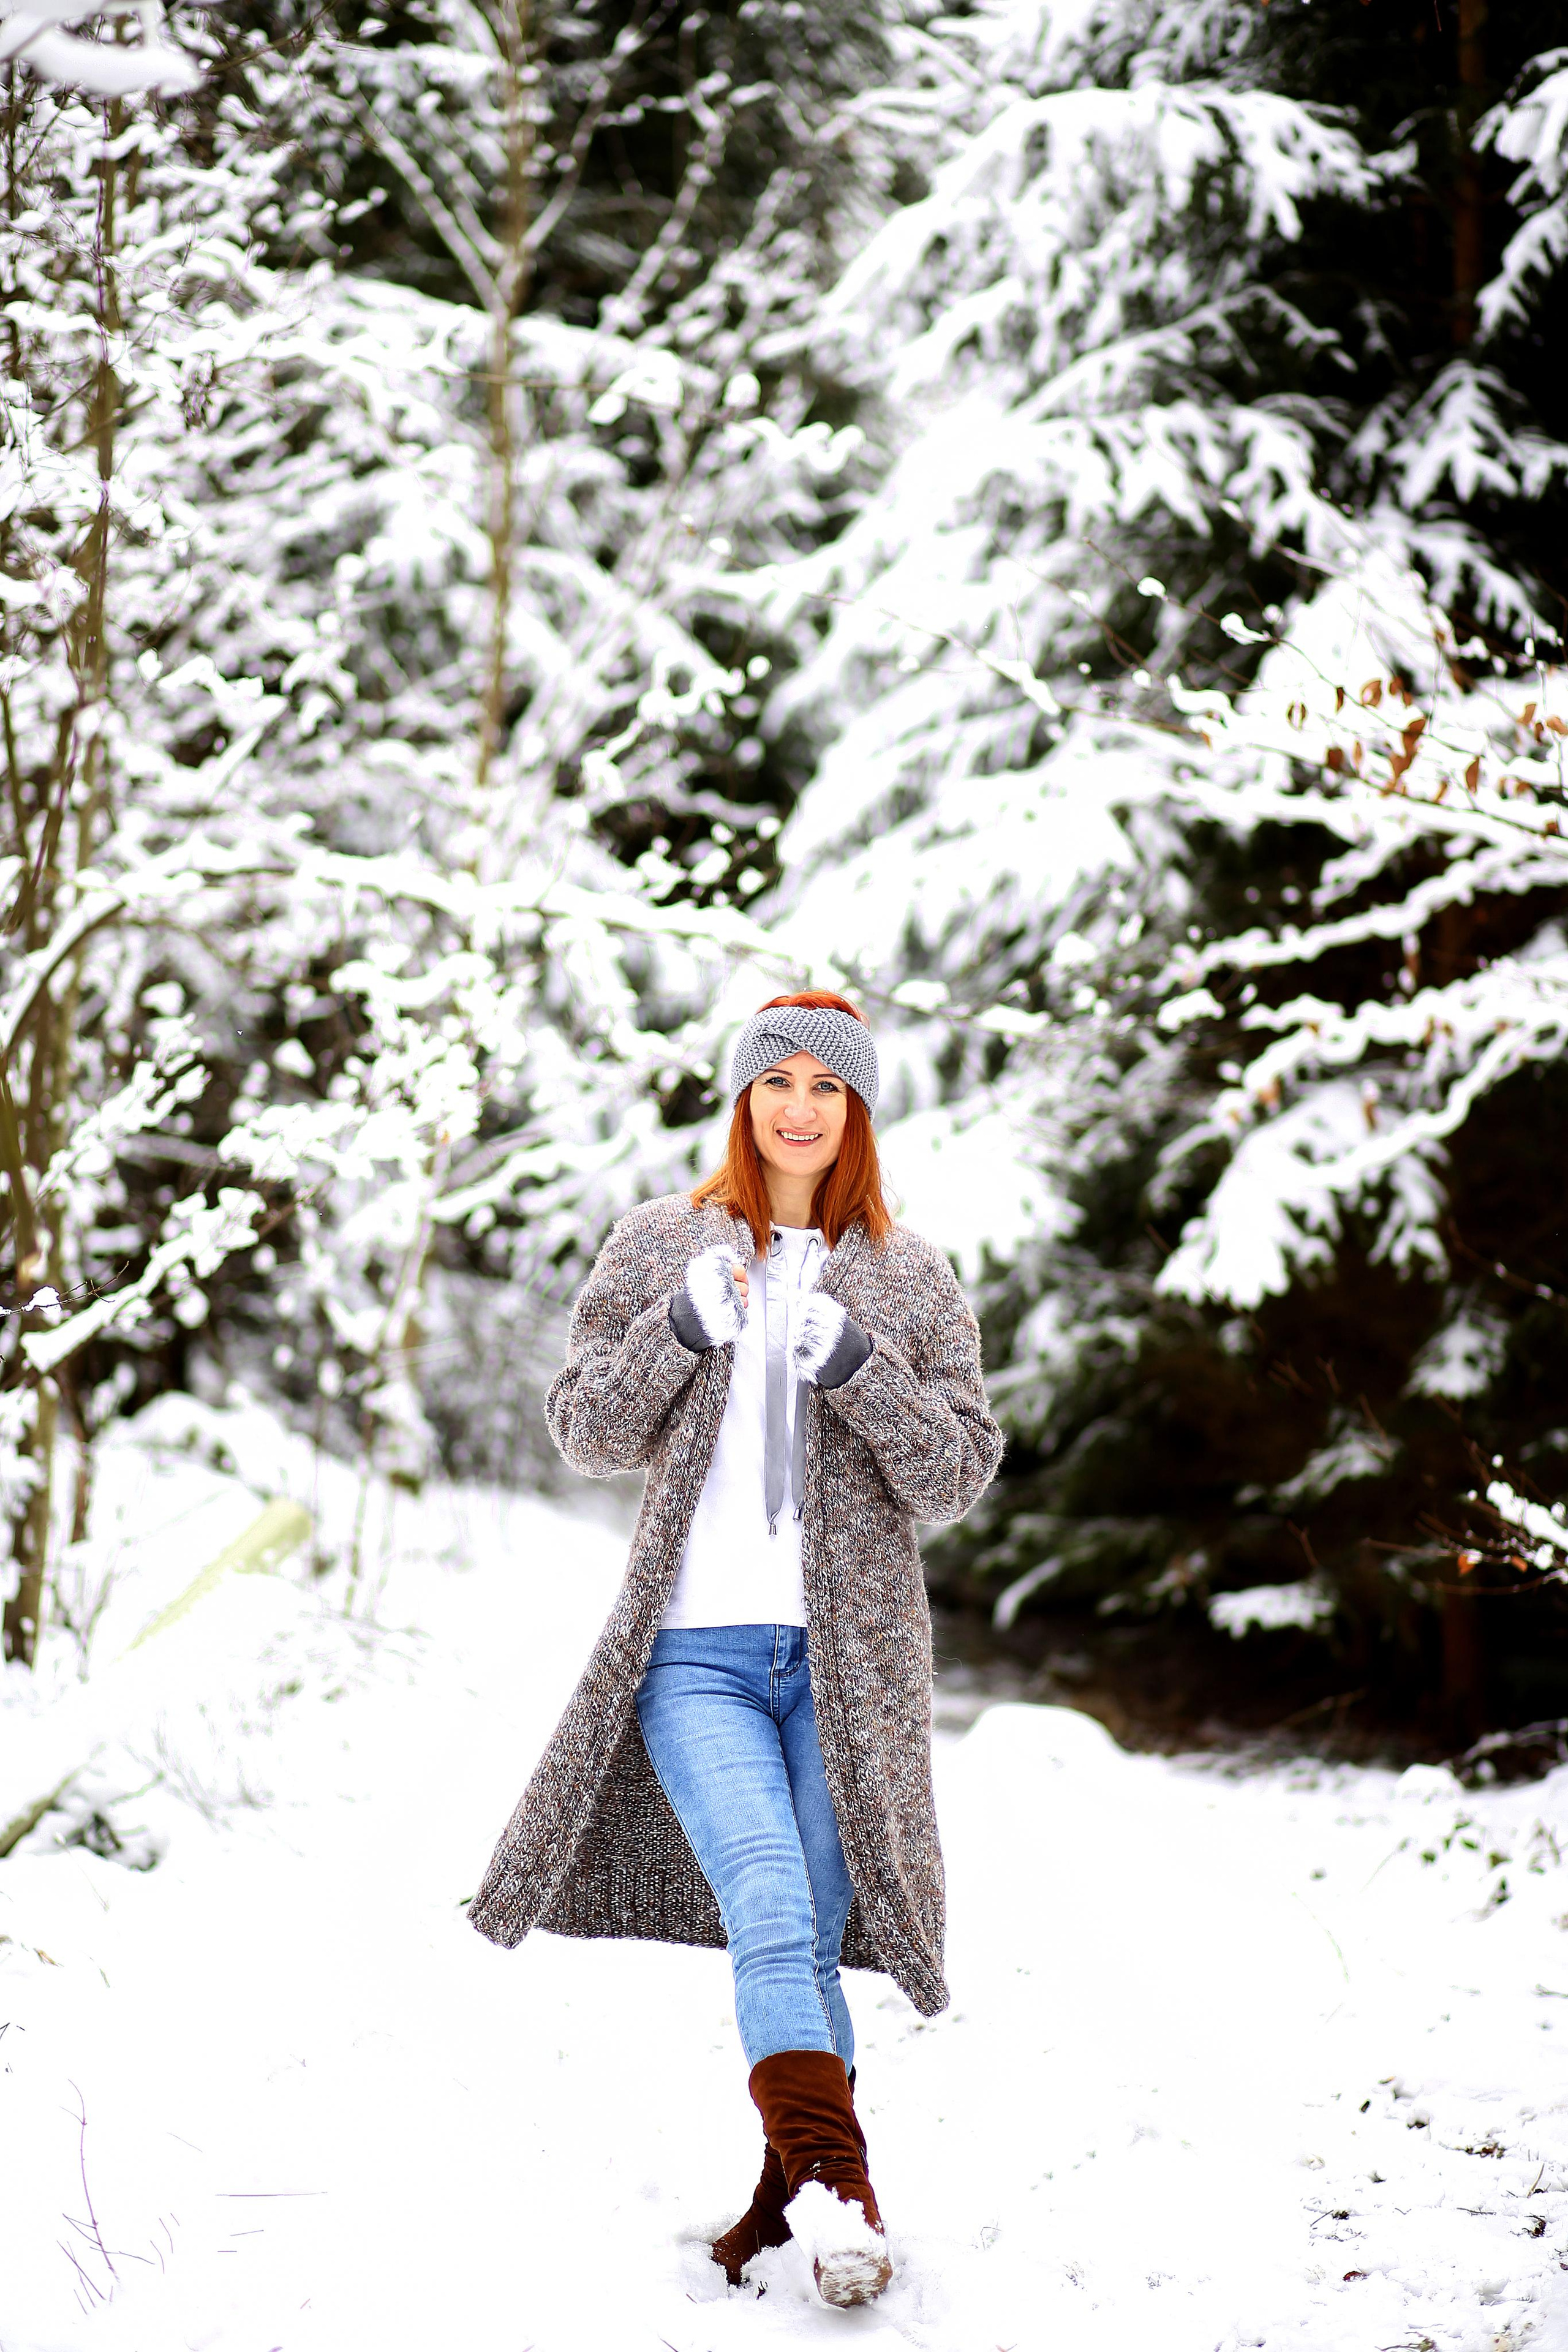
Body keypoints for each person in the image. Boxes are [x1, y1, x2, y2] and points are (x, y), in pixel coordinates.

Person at [469, 991, 1002, 2305]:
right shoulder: (660, 1245)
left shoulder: (910, 1271)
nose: (801, 1107)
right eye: (780, 1082)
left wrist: (863, 1367)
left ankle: (785, 2204)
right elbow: (585, 1429)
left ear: (858, 1111)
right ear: (744, 1098)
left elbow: (956, 1475)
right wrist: (679, 1329)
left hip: (848, 1668)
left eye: (830, 1087)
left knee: (805, 1943)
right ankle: (840, 2195)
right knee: (766, 1903)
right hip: (694, 1655)